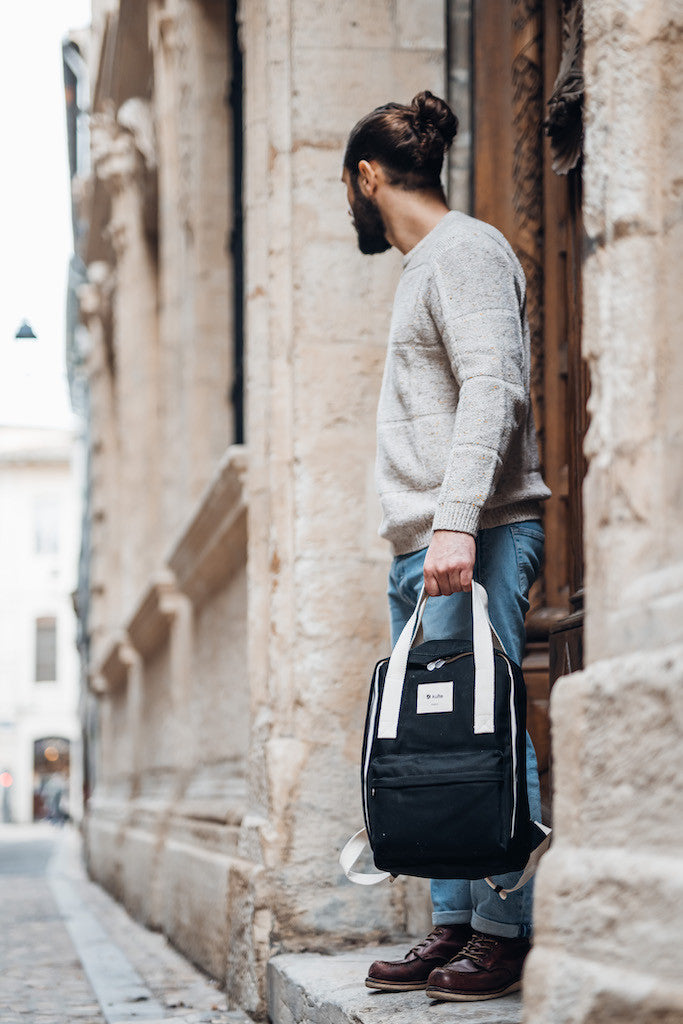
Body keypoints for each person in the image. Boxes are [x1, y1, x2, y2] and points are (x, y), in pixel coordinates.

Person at [341, 91, 552, 1002]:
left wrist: (456, 519)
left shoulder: (463, 251)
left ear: (366, 176)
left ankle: (504, 933)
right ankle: (458, 924)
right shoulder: (428, 263)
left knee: (485, 731)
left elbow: (493, 386)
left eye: (348, 190)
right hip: (430, 545)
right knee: (439, 744)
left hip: (472, 536)